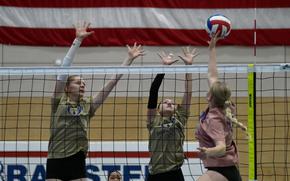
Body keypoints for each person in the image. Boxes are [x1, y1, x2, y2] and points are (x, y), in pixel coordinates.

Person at [46, 22, 144, 181]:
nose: (82, 85)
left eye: (84, 83)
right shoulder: (58, 101)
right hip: (55, 157)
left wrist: (128, 60)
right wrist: (77, 41)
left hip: (77, 157)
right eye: (78, 83)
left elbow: (111, 83)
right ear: (67, 88)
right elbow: (63, 71)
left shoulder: (87, 105)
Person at [195, 33, 246, 181]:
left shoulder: (215, 119)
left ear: (210, 96)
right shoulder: (226, 106)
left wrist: (208, 151)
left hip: (222, 170)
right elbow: (212, 75)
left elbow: (221, 147)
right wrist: (212, 48)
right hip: (223, 168)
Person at [146, 47, 198, 181]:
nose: (169, 103)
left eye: (173, 103)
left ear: (176, 109)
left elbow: (188, 93)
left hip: (174, 172)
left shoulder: (180, 117)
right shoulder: (153, 120)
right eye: (165, 102)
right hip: (154, 173)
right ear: (158, 109)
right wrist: (163, 68)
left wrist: (188, 66)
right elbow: (153, 91)